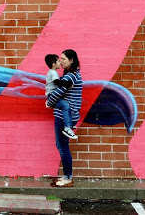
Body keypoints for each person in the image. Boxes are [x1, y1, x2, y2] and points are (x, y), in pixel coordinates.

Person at [46, 49, 83, 187]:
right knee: (62, 145)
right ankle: (67, 176)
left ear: (71, 60)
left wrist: (49, 103)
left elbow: (57, 93)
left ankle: (68, 178)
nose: (61, 62)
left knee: (62, 147)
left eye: (64, 59)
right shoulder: (73, 74)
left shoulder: (70, 77)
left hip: (65, 116)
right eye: (60, 59)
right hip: (67, 114)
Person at [44, 54, 77, 140]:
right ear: (54, 64)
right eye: (58, 61)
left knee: (66, 106)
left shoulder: (51, 72)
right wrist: (68, 84)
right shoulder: (53, 72)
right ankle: (67, 128)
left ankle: (68, 124)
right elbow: (57, 82)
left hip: (51, 95)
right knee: (66, 106)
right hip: (52, 95)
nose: (60, 62)